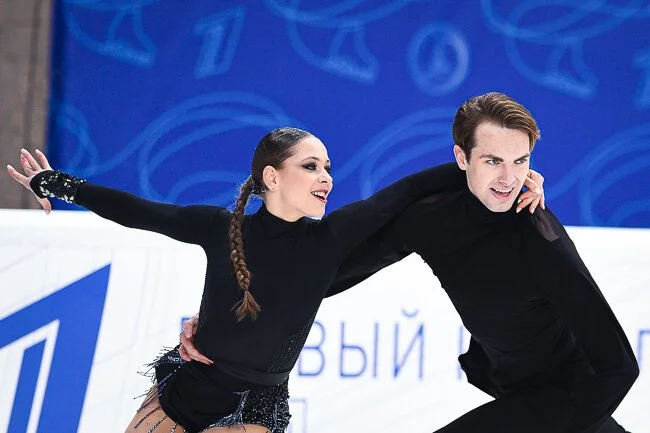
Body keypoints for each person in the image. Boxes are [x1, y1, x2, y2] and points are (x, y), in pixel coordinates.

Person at [6, 126, 544, 433]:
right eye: (311, 166)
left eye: (327, 167)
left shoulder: (330, 238)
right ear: (271, 176)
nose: (326, 177)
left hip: (259, 404)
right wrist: (55, 183)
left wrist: (501, 174)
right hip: (191, 386)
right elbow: (137, 211)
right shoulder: (221, 228)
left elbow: (405, 193)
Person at [181, 93, 637, 433]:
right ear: (461, 158)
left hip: (567, 400)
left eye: (521, 162)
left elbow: (619, 366)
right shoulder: (432, 219)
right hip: (517, 394)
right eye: (493, 160)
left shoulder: (539, 237)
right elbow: (326, 276)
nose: (509, 178)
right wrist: (229, 314)